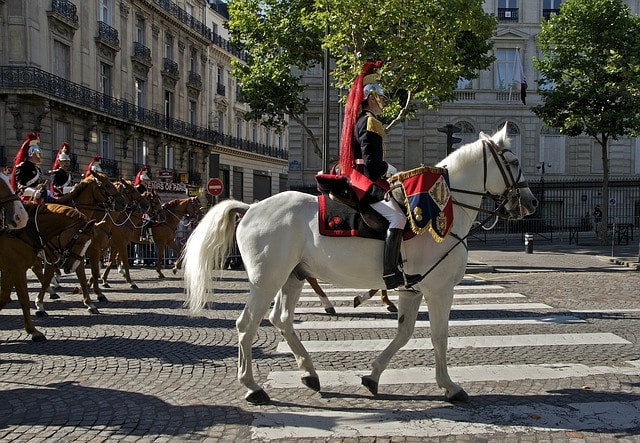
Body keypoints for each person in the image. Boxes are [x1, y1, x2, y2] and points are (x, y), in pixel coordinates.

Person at [338, 60, 420, 290]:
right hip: (365, 180)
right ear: (371, 98)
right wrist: (391, 171)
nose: (383, 104)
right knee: (398, 218)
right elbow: (373, 164)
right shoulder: (370, 122)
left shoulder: (360, 120)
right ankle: (390, 273)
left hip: (361, 176)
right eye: (381, 99)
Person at [10, 132, 56, 203]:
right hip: (27, 200)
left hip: (40, 199)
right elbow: (20, 188)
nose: (39, 156)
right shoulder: (22, 167)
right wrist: (33, 192)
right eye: (37, 153)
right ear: (30, 153)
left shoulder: (37, 168)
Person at [134, 165, 152, 241]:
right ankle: (143, 234)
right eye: (145, 180)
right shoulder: (139, 187)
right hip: (139, 207)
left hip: (143, 207)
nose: (147, 182)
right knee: (146, 219)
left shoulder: (144, 187)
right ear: (142, 180)